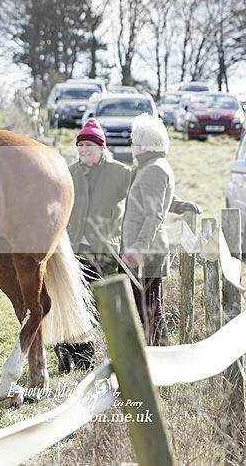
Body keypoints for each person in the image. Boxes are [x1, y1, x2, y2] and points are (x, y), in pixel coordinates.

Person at [55, 118, 131, 372]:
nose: (84, 149)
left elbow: (147, 193)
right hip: (73, 251)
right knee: (72, 302)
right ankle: (71, 356)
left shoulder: (119, 173)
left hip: (105, 252)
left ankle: (112, 357)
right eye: (80, 145)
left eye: (89, 145)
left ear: (102, 148)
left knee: (102, 306)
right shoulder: (68, 173)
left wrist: (177, 204)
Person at [122, 114, 201, 346]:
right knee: (145, 310)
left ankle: (163, 360)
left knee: (151, 312)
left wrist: (138, 248)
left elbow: (154, 213)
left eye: (134, 141)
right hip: (141, 249)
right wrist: (179, 205)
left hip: (147, 251)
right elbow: (158, 197)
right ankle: (155, 358)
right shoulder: (148, 166)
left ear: (144, 144)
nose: (131, 145)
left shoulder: (154, 169)